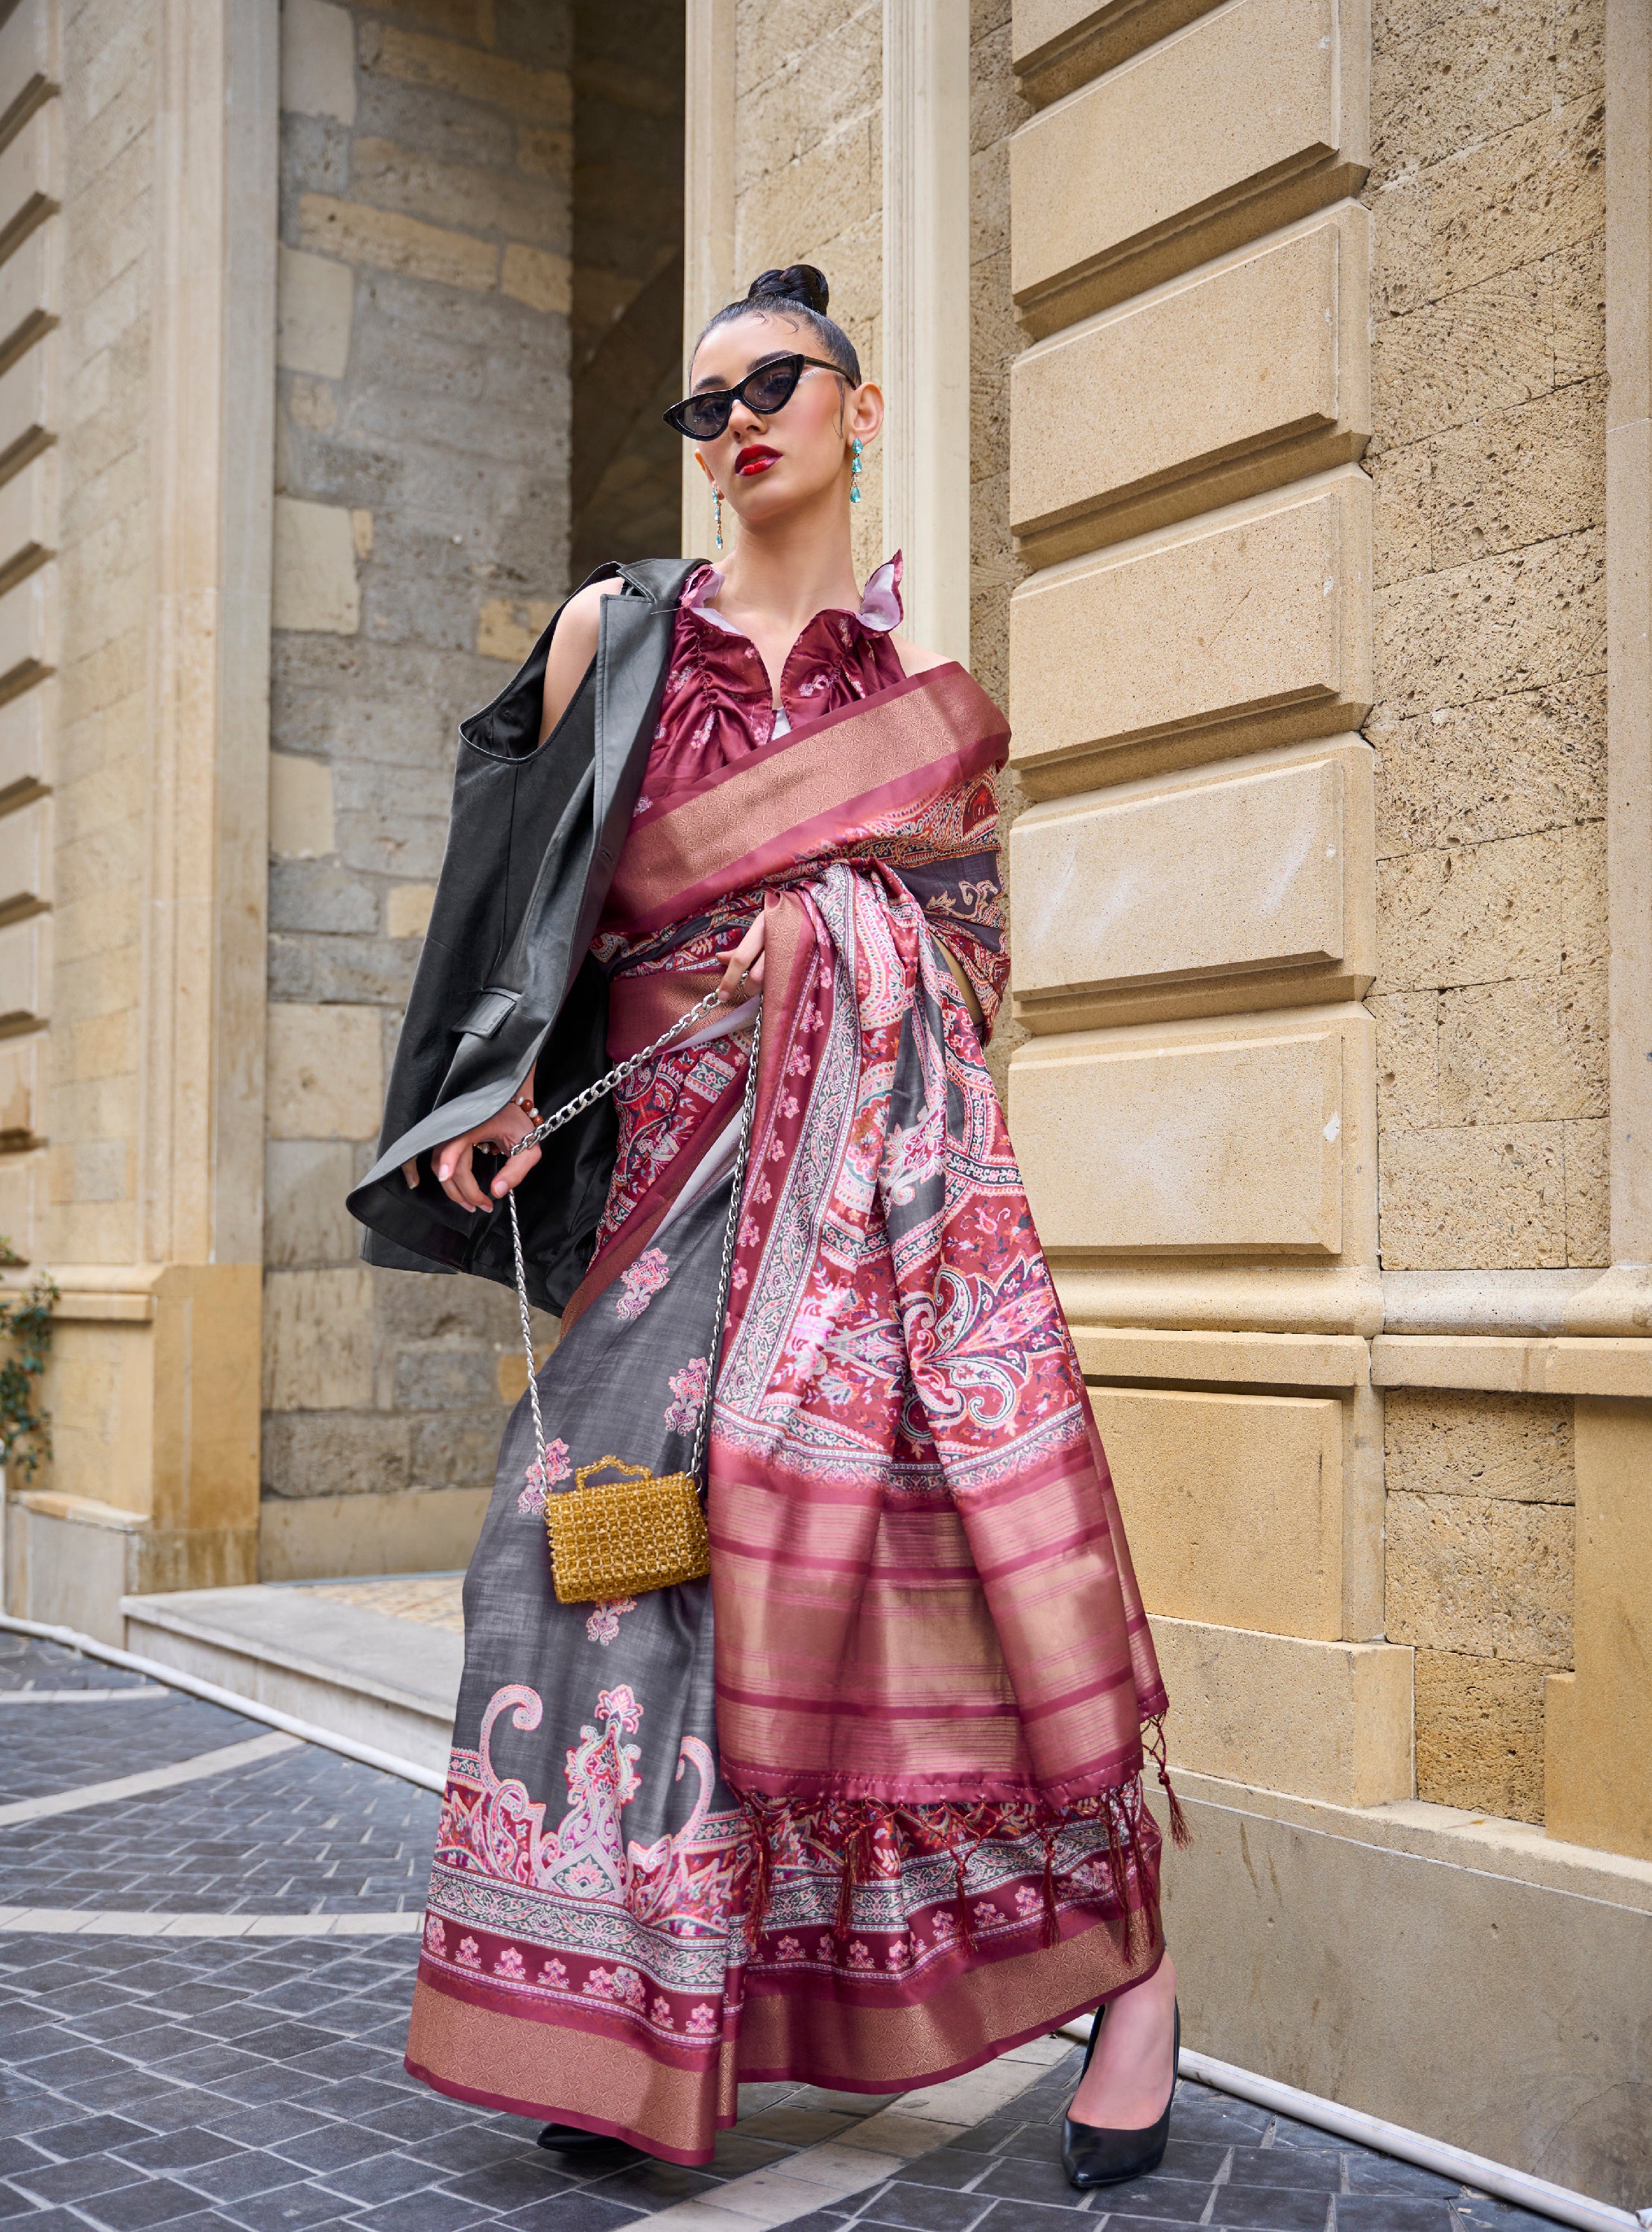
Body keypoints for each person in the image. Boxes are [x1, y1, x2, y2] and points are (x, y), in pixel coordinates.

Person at [347, 265, 1183, 2185]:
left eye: (773, 385)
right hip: (654, 1197)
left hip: (868, 1235)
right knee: (594, 1575)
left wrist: (831, 935)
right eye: (701, 404)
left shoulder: (912, 707)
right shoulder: (614, 639)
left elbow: (970, 965)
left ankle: (1130, 1974)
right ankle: (622, 2017)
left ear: (857, 410)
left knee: (930, 1601)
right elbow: (512, 904)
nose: (734, 425)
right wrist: (479, 1105)